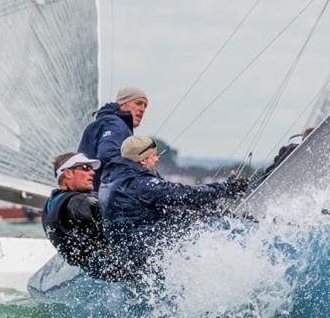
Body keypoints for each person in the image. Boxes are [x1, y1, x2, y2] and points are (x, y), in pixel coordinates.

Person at [99, 136, 249, 275]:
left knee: (195, 209)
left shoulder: (111, 179)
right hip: (146, 254)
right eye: (154, 155)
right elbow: (184, 194)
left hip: (126, 253)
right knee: (198, 214)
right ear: (143, 160)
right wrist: (225, 189)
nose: (157, 159)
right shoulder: (140, 184)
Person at [42, 152, 120, 280]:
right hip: (109, 271)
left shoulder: (50, 204)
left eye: (91, 169)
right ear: (68, 173)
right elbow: (120, 226)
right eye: (85, 168)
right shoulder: (81, 202)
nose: (92, 172)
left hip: (86, 270)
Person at [78, 87, 149, 190]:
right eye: (138, 103)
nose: (142, 109)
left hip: (88, 192)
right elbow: (107, 153)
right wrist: (137, 170)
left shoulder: (106, 121)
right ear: (123, 104)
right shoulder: (115, 124)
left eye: (145, 106)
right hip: (97, 193)